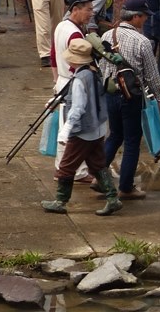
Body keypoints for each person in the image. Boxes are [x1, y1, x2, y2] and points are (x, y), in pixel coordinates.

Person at [40, 38, 122, 216]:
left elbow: (77, 108)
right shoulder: (93, 72)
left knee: (67, 167)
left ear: (75, 60)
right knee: (97, 164)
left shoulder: (79, 79)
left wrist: (66, 130)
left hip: (83, 131)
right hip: (98, 128)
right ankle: (113, 198)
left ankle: (60, 201)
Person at [101, 0, 160, 199]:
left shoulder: (106, 35)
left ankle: (99, 177)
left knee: (114, 136)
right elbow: (152, 75)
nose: (145, 20)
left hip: (110, 93)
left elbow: (101, 66)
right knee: (131, 141)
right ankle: (126, 187)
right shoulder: (142, 42)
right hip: (131, 97)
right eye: (144, 16)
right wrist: (159, 98)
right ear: (136, 17)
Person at [50, 0, 97, 183]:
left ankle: (63, 168)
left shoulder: (61, 26)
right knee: (77, 129)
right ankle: (75, 171)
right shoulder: (75, 33)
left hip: (62, 80)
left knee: (66, 126)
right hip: (73, 82)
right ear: (75, 10)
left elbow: (53, 56)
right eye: (88, 9)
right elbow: (77, 63)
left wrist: (56, 81)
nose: (91, 13)